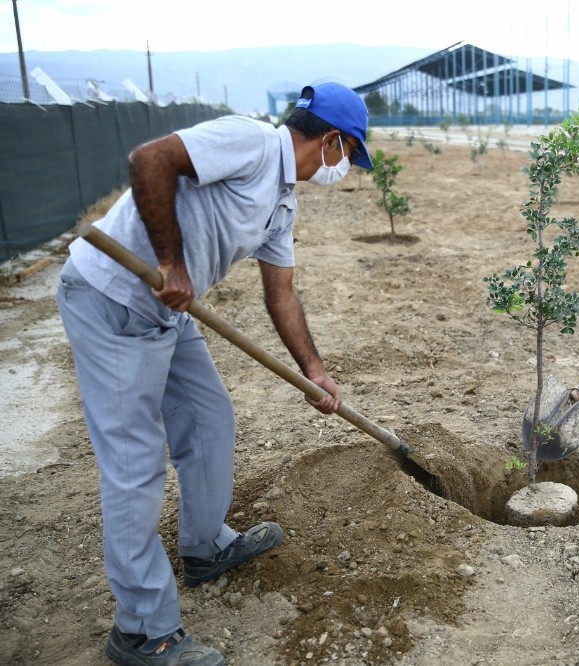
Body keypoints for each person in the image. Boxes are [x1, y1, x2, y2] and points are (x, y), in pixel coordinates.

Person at [56, 82, 373, 665]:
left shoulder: (281, 201)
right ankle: (141, 631)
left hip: (168, 313)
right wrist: (171, 263)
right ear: (332, 139)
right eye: (350, 153)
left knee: (209, 421)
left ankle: (205, 547)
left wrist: (315, 370)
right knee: (134, 463)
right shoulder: (249, 141)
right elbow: (149, 159)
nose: (344, 167)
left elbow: (282, 294)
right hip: (114, 298)